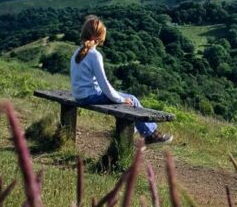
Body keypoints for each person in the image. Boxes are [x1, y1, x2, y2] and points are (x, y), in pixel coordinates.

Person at [71, 15, 173, 145]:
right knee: (132, 99)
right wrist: (121, 99)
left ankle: (132, 131)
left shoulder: (77, 51)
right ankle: (150, 135)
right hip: (90, 97)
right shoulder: (94, 55)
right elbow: (104, 85)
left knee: (125, 98)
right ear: (100, 37)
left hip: (79, 96)